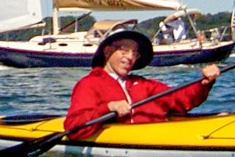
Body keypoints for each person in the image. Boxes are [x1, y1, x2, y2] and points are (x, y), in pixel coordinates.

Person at [64, 29, 220, 139]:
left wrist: (204, 83)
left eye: (135, 53)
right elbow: (72, 127)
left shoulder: (144, 84)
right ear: (107, 52)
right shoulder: (89, 84)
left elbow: (180, 99)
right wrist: (109, 107)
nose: (130, 57)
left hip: (154, 156)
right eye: (124, 50)